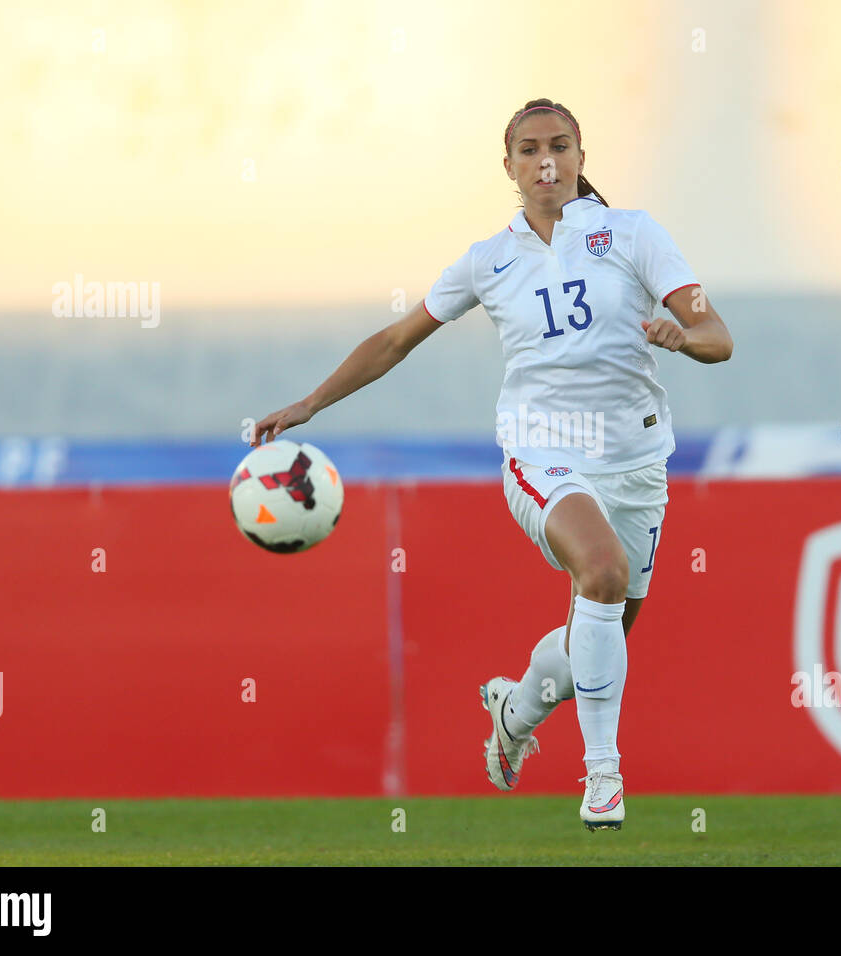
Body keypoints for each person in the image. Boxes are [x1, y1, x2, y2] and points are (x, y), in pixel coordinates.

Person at [252, 98, 732, 830]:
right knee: (598, 573)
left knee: (594, 641)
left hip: (634, 463)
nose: (547, 160)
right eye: (531, 148)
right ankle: (603, 776)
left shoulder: (633, 234)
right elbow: (395, 340)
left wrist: (681, 336)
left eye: (561, 146)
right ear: (508, 166)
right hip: (540, 450)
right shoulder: (489, 259)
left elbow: (717, 334)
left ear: (580, 156)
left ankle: (517, 707)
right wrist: (312, 402)